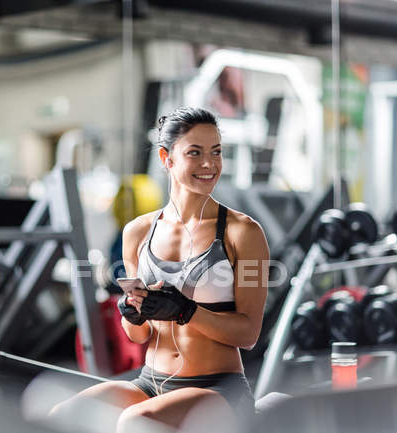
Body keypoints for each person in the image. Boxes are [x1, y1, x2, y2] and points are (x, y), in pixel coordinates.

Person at [49, 107, 269, 433]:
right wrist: (132, 313)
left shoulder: (243, 233)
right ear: (167, 158)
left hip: (218, 389)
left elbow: (249, 334)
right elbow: (137, 335)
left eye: (216, 152)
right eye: (195, 152)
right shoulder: (137, 233)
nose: (209, 164)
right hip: (150, 383)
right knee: (61, 415)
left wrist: (185, 310)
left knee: (137, 422)